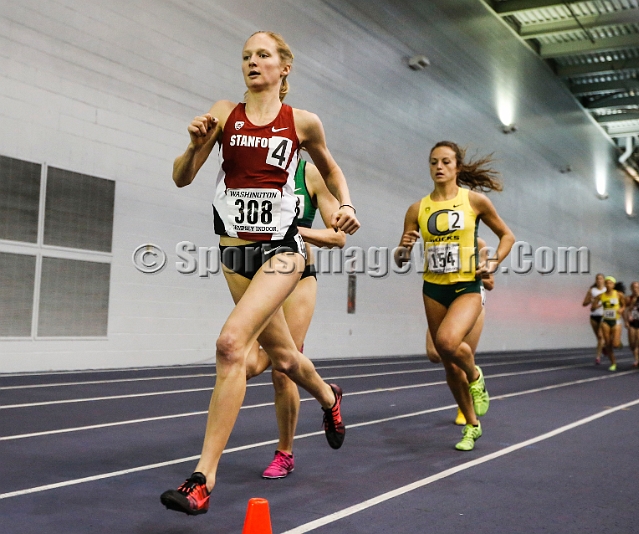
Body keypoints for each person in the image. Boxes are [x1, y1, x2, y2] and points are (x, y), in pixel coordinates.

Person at [161, 31, 360, 515]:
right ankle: (329, 396)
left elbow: (331, 171)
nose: (253, 61)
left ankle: (202, 479)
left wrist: (346, 206)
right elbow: (182, 176)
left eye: (263, 55)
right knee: (286, 360)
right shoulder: (225, 114)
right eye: (246, 56)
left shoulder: (304, 123)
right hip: (234, 252)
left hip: (284, 252)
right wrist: (192, 145)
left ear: (283, 67)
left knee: (231, 345)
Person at [395, 141, 515, 452]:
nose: (439, 167)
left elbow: (507, 236)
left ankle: (475, 375)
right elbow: (399, 258)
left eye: (446, 161)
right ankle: (472, 426)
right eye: (434, 161)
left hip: (466, 287)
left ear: (457, 167)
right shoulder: (417, 209)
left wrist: (491, 263)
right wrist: (404, 248)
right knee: (447, 363)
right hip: (433, 288)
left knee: (446, 343)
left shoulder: (474, 201)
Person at [243, 159, 345, 479]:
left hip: (299, 277)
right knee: (246, 364)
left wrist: (293, 230)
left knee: (283, 368)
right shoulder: (252, 169)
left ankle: (284, 453)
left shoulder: (308, 173)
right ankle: (328, 395)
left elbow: (337, 236)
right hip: (259, 275)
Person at [425, 236, 494, 426]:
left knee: (458, 361)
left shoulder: (478, 243)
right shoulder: (433, 241)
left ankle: (467, 409)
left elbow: (490, 283)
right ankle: (471, 379)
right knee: (434, 353)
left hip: (469, 301)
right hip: (443, 304)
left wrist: (480, 271)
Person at [592, 276, 625, 371]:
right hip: (605, 320)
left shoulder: (618, 294)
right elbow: (594, 304)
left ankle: (618, 343)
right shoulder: (601, 296)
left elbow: (624, 304)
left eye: (610, 283)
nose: (608, 284)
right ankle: (613, 363)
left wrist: (621, 309)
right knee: (607, 344)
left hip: (616, 321)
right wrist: (596, 306)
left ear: (614, 285)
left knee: (615, 344)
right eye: (607, 283)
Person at [582, 273, 606, 365]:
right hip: (594, 316)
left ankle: (598, 357)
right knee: (599, 338)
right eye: (597, 279)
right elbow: (584, 303)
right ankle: (603, 347)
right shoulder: (592, 290)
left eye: (600, 278)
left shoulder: (607, 290)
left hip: (604, 316)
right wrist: (591, 301)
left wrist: (600, 305)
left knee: (600, 336)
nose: (599, 280)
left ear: (604, 280)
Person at [625, 281, 639, 367]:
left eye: (637, 287)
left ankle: (638, 360)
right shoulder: (628, 298)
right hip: (632, 322)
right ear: (631, 289)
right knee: (632, 344)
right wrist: (626, 321)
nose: (636, 289)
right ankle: (638, 359)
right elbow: (626, 310)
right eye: (634, 287)